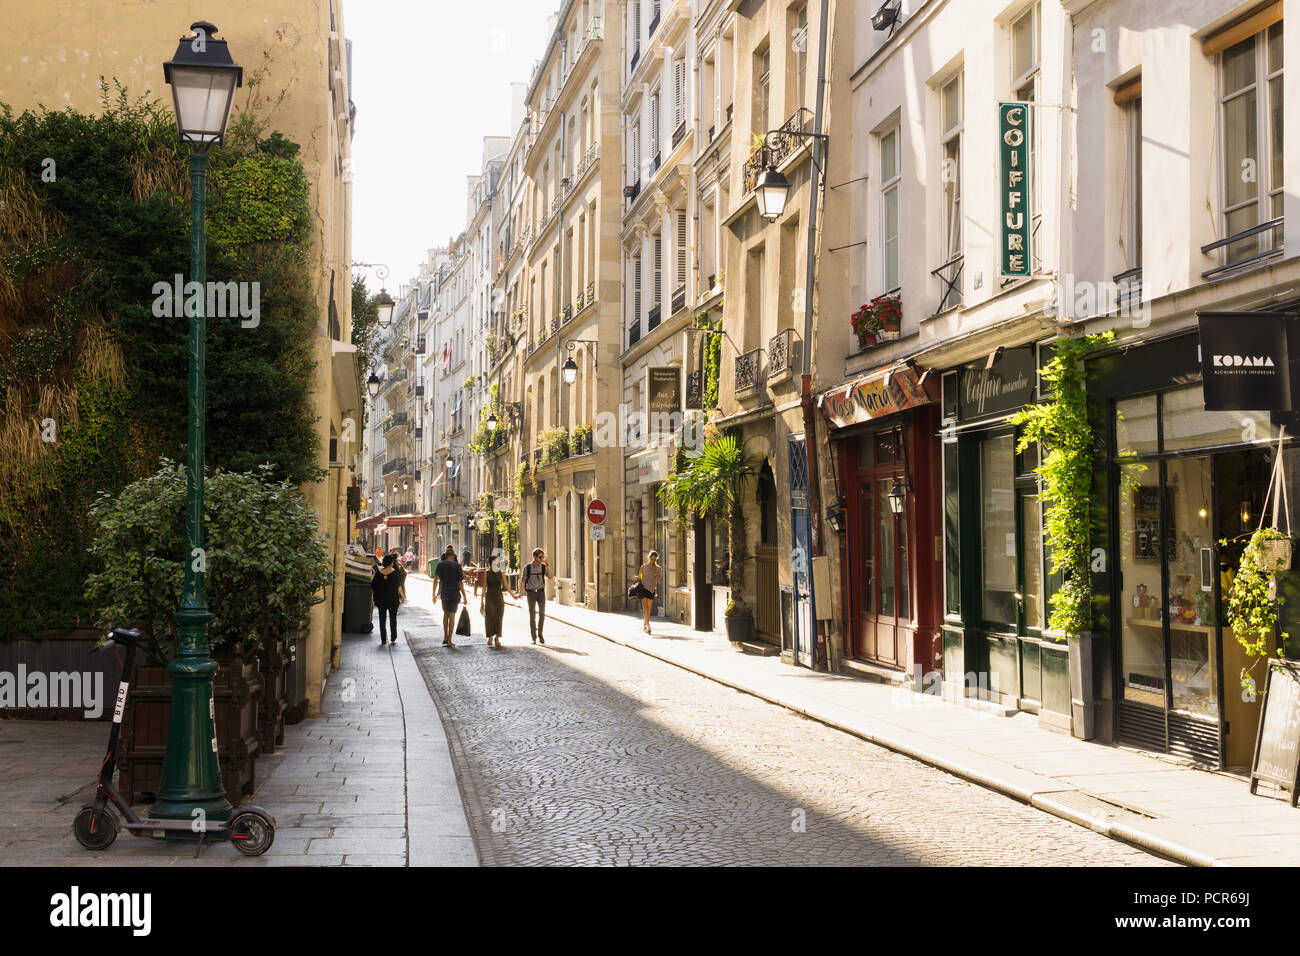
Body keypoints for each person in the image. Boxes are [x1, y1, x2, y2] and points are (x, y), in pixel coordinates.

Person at [434, 546, 468, 646]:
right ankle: (449, 639)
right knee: (452, 616)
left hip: (444, 593)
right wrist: (465, 596)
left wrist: (434, 594)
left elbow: (436, 580)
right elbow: (460, 583)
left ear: (445, 555)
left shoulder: (440, 565)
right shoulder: (457, 566)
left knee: (445, 614)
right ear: (453, 556)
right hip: (454, 594)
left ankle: (445, 636)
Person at [480, 554, 513, 648]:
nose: (499, 562)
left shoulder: (501, 572)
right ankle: (490, 636)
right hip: (489, 596)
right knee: (489, 617)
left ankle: (497, 638)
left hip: (499, 597)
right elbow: (484, 587)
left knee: (498, 617)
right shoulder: (487, 573)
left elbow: (506, 585)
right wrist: (481, 600)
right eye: (497, 561)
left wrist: (514, 596)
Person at [521, 548, 552, 645]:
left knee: (542, 614)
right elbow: (523, 580)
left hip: (541, 593)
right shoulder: (528, 568)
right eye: (540, 557)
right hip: (530, 593)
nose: (542, 559)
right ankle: (533, 637)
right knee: (532, 615)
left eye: (543, 557)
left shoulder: (543, 567)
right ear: (534, 557)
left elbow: (550, 577)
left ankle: (540, 634)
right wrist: (521, 592)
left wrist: (547, 565)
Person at [371, 554, 402, 646]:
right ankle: (393, 637)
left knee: (382, 619)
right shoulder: (395, 573)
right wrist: (402, 596)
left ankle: (383, 639)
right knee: (393, 619)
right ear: (392, 562)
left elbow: (373, 586)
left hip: (381, 600)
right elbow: (398, 586)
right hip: (393, 600)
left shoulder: (378, 573)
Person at [638, 550, 661, 635]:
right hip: (643, 589)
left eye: (654, 560)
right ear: (649, 558)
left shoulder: (658, 568)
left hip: (651, 590)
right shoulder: (643, 567)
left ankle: (644, 623)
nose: (653, 561)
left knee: (649, 608)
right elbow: (640, 577)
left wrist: (656, 575)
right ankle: (648, 625)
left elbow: (659, 581)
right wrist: (637, 578)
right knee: (645, 608)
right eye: (651, 559)